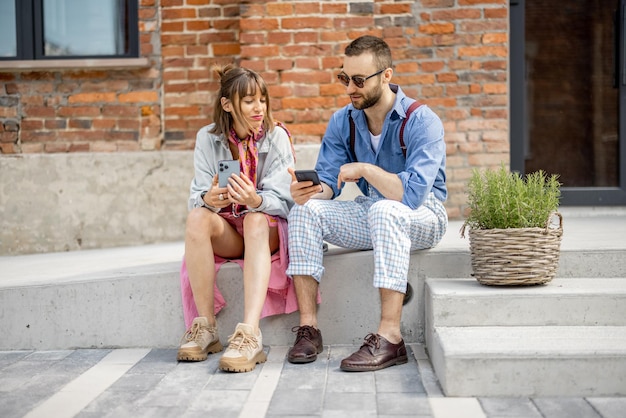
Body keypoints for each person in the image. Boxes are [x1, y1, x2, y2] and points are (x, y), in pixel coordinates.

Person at [285, 35, 448, 372]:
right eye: (345, 79)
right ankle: (309, 329)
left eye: (359, 80)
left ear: (386, 76)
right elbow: (329, 182)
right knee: (303, 211)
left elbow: (413, 195)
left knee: (385, 209)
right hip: (370, 213)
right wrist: (310, 192)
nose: (349, 89)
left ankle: (390, 337)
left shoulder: (422, 121)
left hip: (423, 216)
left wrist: (365, 169)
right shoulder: (343, 121)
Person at [177, 64, 296, 373]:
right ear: (227, 104)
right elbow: (197, 194)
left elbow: (286, 201)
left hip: (264, 230)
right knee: (196, 217)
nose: (259, 108)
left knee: (255, 219)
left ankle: (249, 334)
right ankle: (206, 329)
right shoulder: (208, 138)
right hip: (230, 230)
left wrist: (256, 200)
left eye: (262, 99)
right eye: (248, 100)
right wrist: (209, 199)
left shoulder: (276, 137)